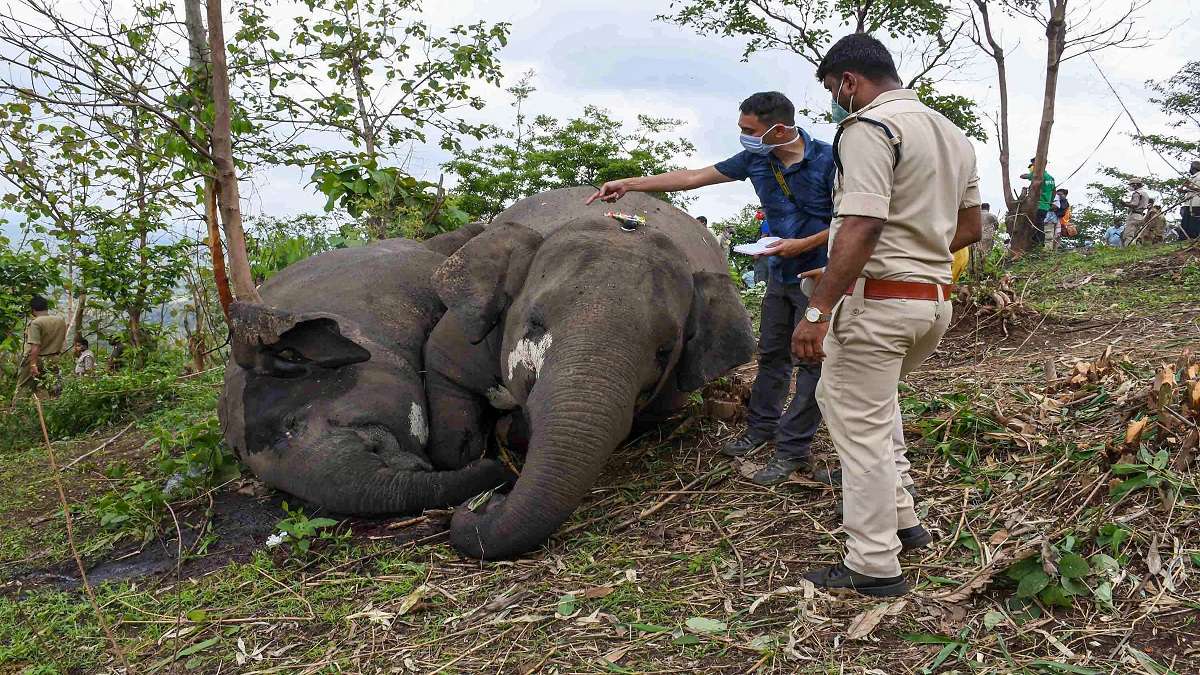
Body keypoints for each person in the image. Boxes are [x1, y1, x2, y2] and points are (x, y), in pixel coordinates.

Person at [791, 33, 981, 595]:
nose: (834, 100)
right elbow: (969, 228)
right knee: (870, 407)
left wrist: (820, 305)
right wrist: (909, 257)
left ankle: (873, 563)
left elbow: (863, 223)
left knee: (860, 431)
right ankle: (902, 517)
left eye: (831, 89)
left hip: (878, 306)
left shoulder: (870, 128)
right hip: (931, 305)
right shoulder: (952, 134)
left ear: (849, 81)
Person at [587, 90, 836, 486]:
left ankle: (792, 450)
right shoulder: (756, 159)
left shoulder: (830, 159)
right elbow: (691, 178)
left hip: (822, 277)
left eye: (749, 130)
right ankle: (761, 430)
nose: (743, 136)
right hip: (779, 273)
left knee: (812, 363)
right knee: (772, 354)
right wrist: (630, 184)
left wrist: (803, 245)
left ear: (779, 128)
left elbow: (852, 222)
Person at [14, 295, 67, 399]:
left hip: (37, 359)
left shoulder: (36, 323)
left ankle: (17, 413)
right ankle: (56, 412)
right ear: (46, 307)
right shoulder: (60, 321)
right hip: (54, 359)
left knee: (23, 388)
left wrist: (33, 364)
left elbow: (35, 346)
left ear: (33, 310)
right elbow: (62, 341)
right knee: (53, 389)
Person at [1020, 159, 1055, 249]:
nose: (1032, 166)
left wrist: (1030, 174)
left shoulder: (1039, 175)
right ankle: (1038, 244)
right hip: (1045, 205)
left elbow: (1022, 176)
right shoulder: (1050, 178)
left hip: (1038, 205)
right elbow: (1053, 192)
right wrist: (1049, 202)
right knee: (1040, 224)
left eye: (1033, 164)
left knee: (1035, 225)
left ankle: (1038, 245)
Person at [1121, 178, 1150, 246]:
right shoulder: (1145, 193)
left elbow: (1134, 204)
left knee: (1128, 234)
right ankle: (1138, 249)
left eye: (1131, 185)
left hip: (1134, 215)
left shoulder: (1136, 193)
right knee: (1137, 235)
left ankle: (1129, 249)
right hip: (1141, 216)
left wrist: (1125, 204)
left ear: (1135, 185)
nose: (1130, 187)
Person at [1178, 161, 1200, 240]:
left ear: (1193, 168)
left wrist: (1189, 187)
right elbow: (1187, 190)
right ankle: (1184, 237)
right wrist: (1182, 188)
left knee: (1194, 221)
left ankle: (1194, 237)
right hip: (1188, 202)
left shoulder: (1199, 176)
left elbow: (1198, 188)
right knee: (1186, 221)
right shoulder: (1192, 177)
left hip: (1196, 202)